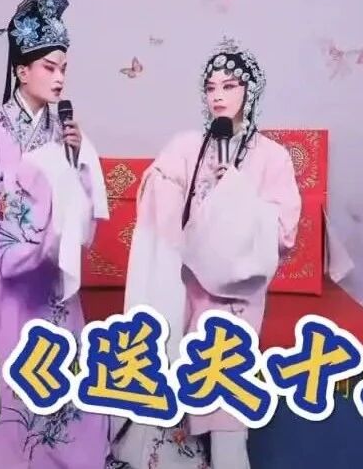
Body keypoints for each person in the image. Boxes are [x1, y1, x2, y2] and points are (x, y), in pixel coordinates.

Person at [110, 38, 302, 469]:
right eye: (211, 87)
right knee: (175, 378)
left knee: (226, 402)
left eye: (230, 86)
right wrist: (168, 190)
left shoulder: (272, 157)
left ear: (250, 92)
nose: (218, 95)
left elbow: (284, 232)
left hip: (236, 298)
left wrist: (236, 194)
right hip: (184, 288)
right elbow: (158, 198)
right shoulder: (185, 146)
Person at [0, 0, 111, 468]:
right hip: (5, 283)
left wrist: (76, 160)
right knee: (6, 381)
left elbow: (84, 208)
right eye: (49, 67)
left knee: (58, 377)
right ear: (22, 70)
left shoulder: (66, 132)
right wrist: (38, 193)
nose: (59, 78)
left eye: (64, 69)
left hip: (52, 281)